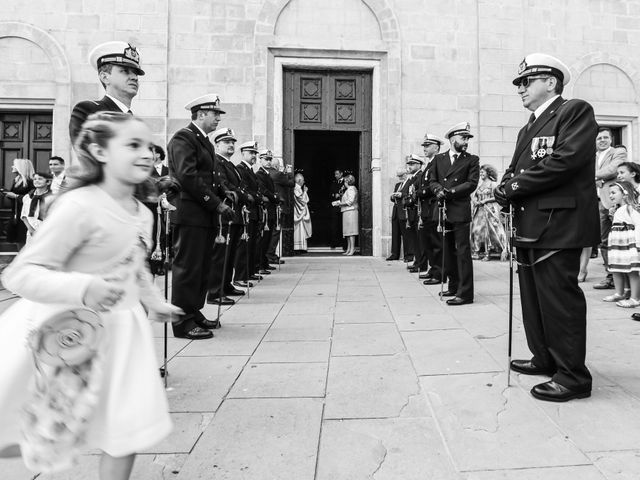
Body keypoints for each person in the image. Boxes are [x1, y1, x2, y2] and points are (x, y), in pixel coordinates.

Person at [0, 112, 181, 479]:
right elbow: (19, 274)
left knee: (127, 427)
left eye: (148, 146)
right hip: (71, 331)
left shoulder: (141, 212)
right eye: (132, 145)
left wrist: (152, 301)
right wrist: (85, 287)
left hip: (124, 334)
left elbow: (134, 263)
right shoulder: (79, 206)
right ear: (99, 151)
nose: (147, 154)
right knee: (46, 429)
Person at [494, 53, 599, 402]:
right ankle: (544, 357)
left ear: (550, 82)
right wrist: (505, 185)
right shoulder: (529, 125)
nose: (520, 89)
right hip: (530, 224)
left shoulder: (573, 111)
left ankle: (572, 377)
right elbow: (515, 169)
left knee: (559, 302)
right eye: (519, 83)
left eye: (526, 81)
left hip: (559, 223)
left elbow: (565, 160)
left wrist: (512, 187)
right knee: (534, 300)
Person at [167, 94, 233, 340]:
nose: (218, 118)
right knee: (187, 268)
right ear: (200, 114)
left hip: (202, 215)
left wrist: (224, 192)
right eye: (215, 114)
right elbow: (188, 176)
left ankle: (193, 312)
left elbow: (209, 177)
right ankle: (182, 321)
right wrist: (215, 204)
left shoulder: (202, 140)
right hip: (190, 213)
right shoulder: (184, 138)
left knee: (201, 267)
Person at [429, 122, 479, 306]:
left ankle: (465, 293)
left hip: (459, 208)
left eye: (467, 138)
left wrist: (449, 192)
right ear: (452, 139)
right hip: (442, 209)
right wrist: (437, 190)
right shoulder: (438, 159)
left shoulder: (471, 159)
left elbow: (471, 183)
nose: (466, 141)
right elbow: (432, 180)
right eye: (462, 138)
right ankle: (453, 285)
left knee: (462, 251)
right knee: (447, 251)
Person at [69, 42, 145, 145]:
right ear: (104, 77)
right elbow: (87, 153)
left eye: (135, 73)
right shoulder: (89, 111)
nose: (134, 77)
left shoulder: (135, 122)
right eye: (125, 71)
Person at [207, 128, 247, 304]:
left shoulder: (230, 164)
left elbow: (239, 187)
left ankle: (226, 284)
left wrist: (241, 194)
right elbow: (225, 185)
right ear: (217, 145)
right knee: (220, 256)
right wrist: (240, 193)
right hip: (224, 213)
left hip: (235, 212)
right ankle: (215, 291)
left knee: (230, 254)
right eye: (226, 142)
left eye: (232, 142)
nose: (231, 145)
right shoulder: (217, 162)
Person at [593, 127, 627, 289]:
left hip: (615, 202)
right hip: (597, 202)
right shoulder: (591, 156)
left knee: (621, 241)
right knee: (604, 242)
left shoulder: (618, 152)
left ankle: (626, 278)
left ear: (611, 139)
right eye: (599, 138)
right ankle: (611, 276)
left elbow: (613, 169)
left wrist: (593, 176)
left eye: (605, 137)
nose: (602, 140)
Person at [601, 181, 640, 308]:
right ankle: (620, 292)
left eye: (613, 192)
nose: (610, 196)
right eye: (609, 193)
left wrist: (638, 244)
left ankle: (634, 298)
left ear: (624, 194)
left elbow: (638, 225)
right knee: (616, 269)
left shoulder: (631, 208)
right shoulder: (616, 209)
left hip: (628, 245)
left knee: (632, 270)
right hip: (617, 246)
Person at [416, 134, 444, 283]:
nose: (425, 149)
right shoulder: (429, 164)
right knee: (428, 242)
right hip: (426, 208)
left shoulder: (438, 162)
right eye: (424, 146)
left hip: (433, 206)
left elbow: (433, 185)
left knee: (436, 242)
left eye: (428, 146)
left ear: (436, 148)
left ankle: (439, 273)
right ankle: (433, 269)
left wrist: (422, 192)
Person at [233, 141, 262, 284]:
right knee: (244, 246)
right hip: (247, 210)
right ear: (243, 153)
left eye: (255, 153)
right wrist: (257, 197)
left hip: (254, 211)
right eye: (251, 153)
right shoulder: (241, 169)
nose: (253, 156)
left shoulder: (250, 170)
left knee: (251, 245)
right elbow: (245, 190)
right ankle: (240, 276)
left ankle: (249, 272)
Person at [470, 164, 507, 261]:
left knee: (488, 232)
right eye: (480, 172)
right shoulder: (480, 185)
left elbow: (497, 197)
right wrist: (475, 200)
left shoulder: (493, 184)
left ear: (488, 173)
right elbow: (476, 196)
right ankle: (476, 251)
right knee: (476, 230)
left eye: (483, 171)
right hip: (479, 211)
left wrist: (485, 201)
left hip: (489, 211)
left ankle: (488, 252)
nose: (481, 173)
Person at [266, 157, 294, 264]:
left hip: (270, 206)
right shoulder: (278, 174)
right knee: (276, 232)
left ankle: (269, 254)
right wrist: (289, 172)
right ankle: (270, 255)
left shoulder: (268, 173)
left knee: (270, 232)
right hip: (279, 206)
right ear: (277, 166)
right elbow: (291, 183)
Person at [256, 149, 280, 270]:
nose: (269, 161)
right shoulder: (260, 174)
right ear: (260, 160)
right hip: (265, 209)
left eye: (270, 159)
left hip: (270, 209)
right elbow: (263, 190)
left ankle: (264, 263)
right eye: (266, 159)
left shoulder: (267, 174)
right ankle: (260, 264)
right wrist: (275, 197)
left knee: (268, 237)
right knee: (264, 238)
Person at [3, 158, 35, 244]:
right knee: (17, 238)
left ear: (21, 167)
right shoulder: (16, 180)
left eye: (14, 165)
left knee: (23, 238)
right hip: (15, 213)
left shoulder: (31, 181)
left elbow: (32, 198)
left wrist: (16, 196)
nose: (12, 166)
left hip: (25, 214)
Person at [403, 155, 424, 272]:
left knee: (419, 240)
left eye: (412, 164)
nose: (409, 166)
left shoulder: (420, 176)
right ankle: (417, 261)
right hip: (411, 212)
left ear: (419, 165)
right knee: (415, 240)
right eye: (409, 164)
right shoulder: (412, 178)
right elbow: (406, 193)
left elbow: (416, 195)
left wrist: (409, 201)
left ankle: (421, 263)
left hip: (417, 211)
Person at [20, 171, 53, 244]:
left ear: (48, 182)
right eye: (35, 179)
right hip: (31, 233)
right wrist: (31, 230)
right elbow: (24, 215)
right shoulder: (27, 197)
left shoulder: (52, 198)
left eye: (40, 179)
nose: (36, 181)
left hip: (47, 232)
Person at [333, 174, 359, 255]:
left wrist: (339, 204)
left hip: (351, 212)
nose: (344, 183)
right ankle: (349, 249)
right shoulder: (349, 189)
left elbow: (350, 202)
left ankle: (352, 249)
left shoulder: (351, 189)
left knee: (351, 232)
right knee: (347, 232)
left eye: (345, 181)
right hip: (347, 212)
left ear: (347, 181)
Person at [387, 167, 408, 261]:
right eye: (398, 176)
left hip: (403, 211)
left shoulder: (409, 183)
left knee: (406, 234)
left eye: (401, 175)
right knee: (395, 233)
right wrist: (392, 196)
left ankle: (408, 255)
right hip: (395, 211)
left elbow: (409, 194)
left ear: (405, 174)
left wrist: (401, 195)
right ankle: (394, 254)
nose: (399, 177)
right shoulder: (397, 185)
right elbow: (393, 198)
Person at [293, 173, 312, 253]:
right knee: (299, 230)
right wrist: (305, 192)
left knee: (301, 230)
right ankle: (298, 248)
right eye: (303, 180)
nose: (304, 181)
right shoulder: (296, 189)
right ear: (299, 180)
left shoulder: (298, 188)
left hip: (299, 213)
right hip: (299, 213)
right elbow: (302, 201)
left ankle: (301, 247)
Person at [329, 169, 345, 249]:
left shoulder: (346, 182)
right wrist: (334, 195)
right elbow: (330, 193)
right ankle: (334, 243)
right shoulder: (334, 182)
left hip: (343, 206)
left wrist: (341, 195)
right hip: (335, 207)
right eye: (335, 174)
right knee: (334, 225)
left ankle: (344, 244)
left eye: (337, 174)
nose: (335, 176)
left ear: (341, 174)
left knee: (343, 225)